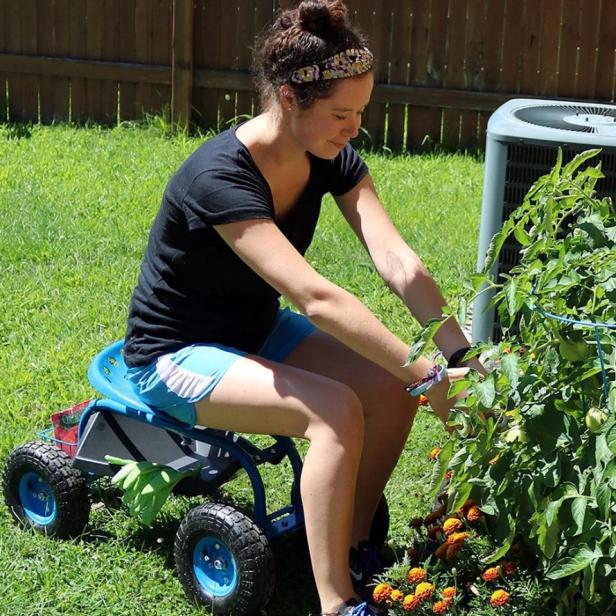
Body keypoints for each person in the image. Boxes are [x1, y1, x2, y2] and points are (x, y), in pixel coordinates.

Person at [123, 1, 482, 614]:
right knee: (336, 410)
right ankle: (337, 602)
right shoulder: (219, 176)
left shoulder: (331, 158)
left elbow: (397, 260)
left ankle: (354, 540)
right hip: (174, 356)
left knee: (389, 392)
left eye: (361, 112)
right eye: (341, 113)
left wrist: (457, 352)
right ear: (289, 98)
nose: (354, 128)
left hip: (254, 331)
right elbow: (315, 297)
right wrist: (426, 375)